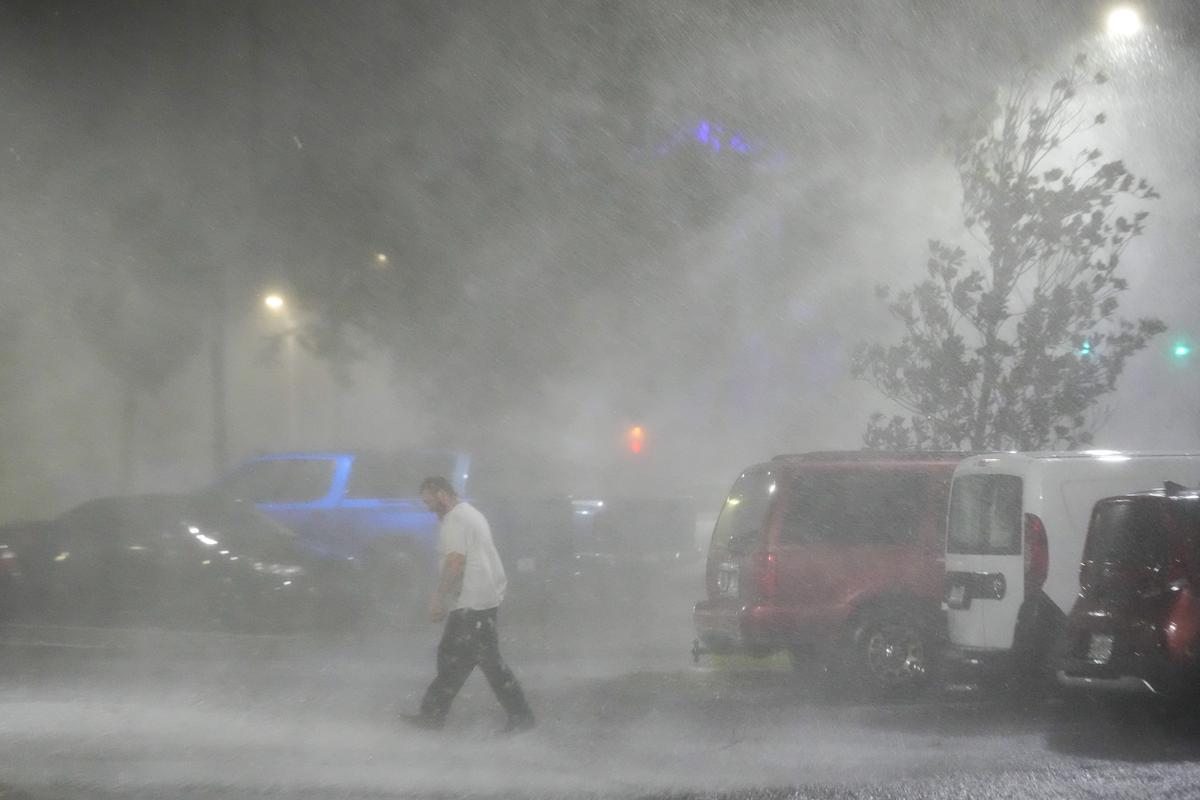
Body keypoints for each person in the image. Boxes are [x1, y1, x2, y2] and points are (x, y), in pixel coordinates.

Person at [400, 476, 535, 733]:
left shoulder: (456, 519)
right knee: (455, 658)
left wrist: (438, 597)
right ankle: (432, 715)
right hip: (478, 600)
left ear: (441, 494)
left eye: (429, 501)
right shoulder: (469, 513)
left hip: (472, 603)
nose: (428, 508)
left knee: (486, 663)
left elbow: (455, 561)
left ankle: (521, 718)